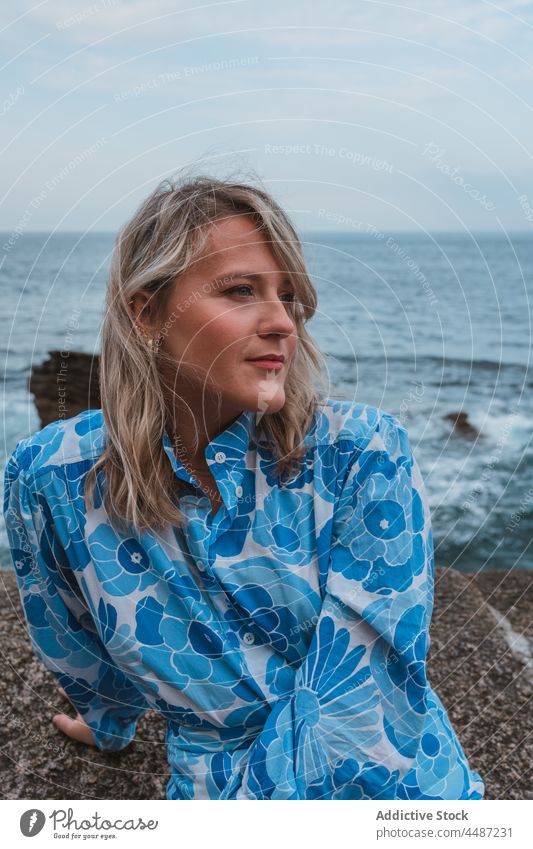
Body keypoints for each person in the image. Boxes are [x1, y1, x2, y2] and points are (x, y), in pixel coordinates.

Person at [3, 171, 484, 800]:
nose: (284, 321)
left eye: (289, 297)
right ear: (146, 312)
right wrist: (108, 722)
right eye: (240, 290)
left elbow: (361, 699)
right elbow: (74, 644)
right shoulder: (53, 476)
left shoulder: (362, 452)